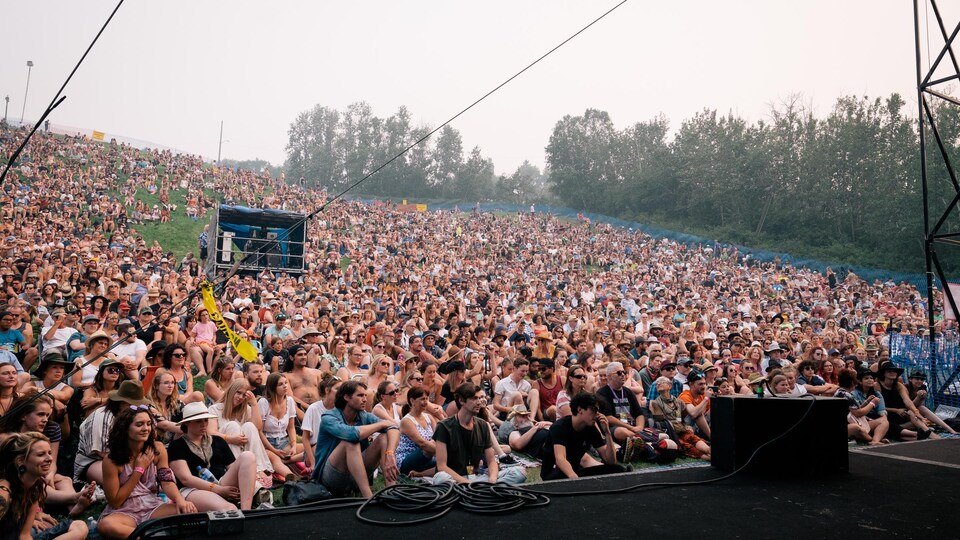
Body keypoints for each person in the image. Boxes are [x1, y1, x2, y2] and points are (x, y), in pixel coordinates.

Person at [96, 406, 197, 540]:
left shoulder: (157, 448)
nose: (146, 429)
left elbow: (166, 481)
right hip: (124, 511)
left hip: (151, 505)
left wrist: (179, 500)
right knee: (107, 526)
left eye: (149, 424)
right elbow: (115, 501)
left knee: (189, 513)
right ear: (125, 428)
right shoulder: (111, 460)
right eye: (139, 424)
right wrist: (139, 470)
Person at [310, 380, 400, 498]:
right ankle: (368, 497)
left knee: (384, 438)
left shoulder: (363, 415)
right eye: (360, 395)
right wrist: (381, 424)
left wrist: (390, 453)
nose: (365, 400)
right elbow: (352, 435)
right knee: (351, 442)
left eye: (365, 396)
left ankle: (391, 492)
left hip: (356, 474)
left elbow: (394, 428)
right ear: (346, 397)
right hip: (331, 477)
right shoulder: (329, 418)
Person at [167, 402, 260, 511]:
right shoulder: (177, 445)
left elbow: (233, 467)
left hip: (220, 482)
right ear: (187, 423)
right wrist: (218, 490)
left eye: (206, 420)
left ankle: (246, 510)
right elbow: (186, 479)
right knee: (230, 509)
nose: (204, 424)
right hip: (193, 490)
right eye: (198, 421)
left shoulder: (217, 440)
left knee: (248, 456)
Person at [432, 383, 526, 485]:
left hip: (476, 477)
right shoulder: (444, 426)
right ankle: (483, 491)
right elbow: (442, 466)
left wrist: (492, 479)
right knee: (440, 477)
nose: (479, 402)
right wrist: (467, 483)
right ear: (461, 400)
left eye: (479, 398)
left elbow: (491, 461)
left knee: (519, 472)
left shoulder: (482, 425)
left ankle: (482, 490)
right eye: (474, 398)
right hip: (455, 479)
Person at [0, 432, 89, 540]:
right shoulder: (4, 491)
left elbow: (25, 535)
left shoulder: (35, 488)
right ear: (20, 461)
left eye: (49, 453)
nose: (49, 459)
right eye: (40, 454)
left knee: (79, 526)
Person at [540, 392, 625, 480]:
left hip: (575, 471)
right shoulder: (559, 427)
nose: (597, 415)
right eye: (593, 410)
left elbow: (610, 461)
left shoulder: (590, 428)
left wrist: (607, 433)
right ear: (580, 409)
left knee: (617, 469)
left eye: (598, 411)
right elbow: (560, 459)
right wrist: (574, 478)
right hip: (555, 472)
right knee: (563, 473)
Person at [596, 362, 646, 448]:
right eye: (619, 373)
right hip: (615, 428)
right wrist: (631, 428)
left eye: (624, 372)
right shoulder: (602, 393)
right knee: (622, 432)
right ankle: (644, 442)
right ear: (610, 376)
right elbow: (608, 417)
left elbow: (639, 413)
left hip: (632, 427)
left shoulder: (628, 391)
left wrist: (639, 427)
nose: (623, 375)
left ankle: (638, 442)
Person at [395, 386, 437, 478]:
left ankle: (420, 474)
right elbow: (422, 443)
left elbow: (438, 437)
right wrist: (442, 452)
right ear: (412, 401)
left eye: (427, 398)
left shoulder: (429, 417)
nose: (425, 402)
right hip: (407, 460)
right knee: (427, 449)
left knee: (449, 464)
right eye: (422, 399)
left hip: (428, 458)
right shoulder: (407, 421)